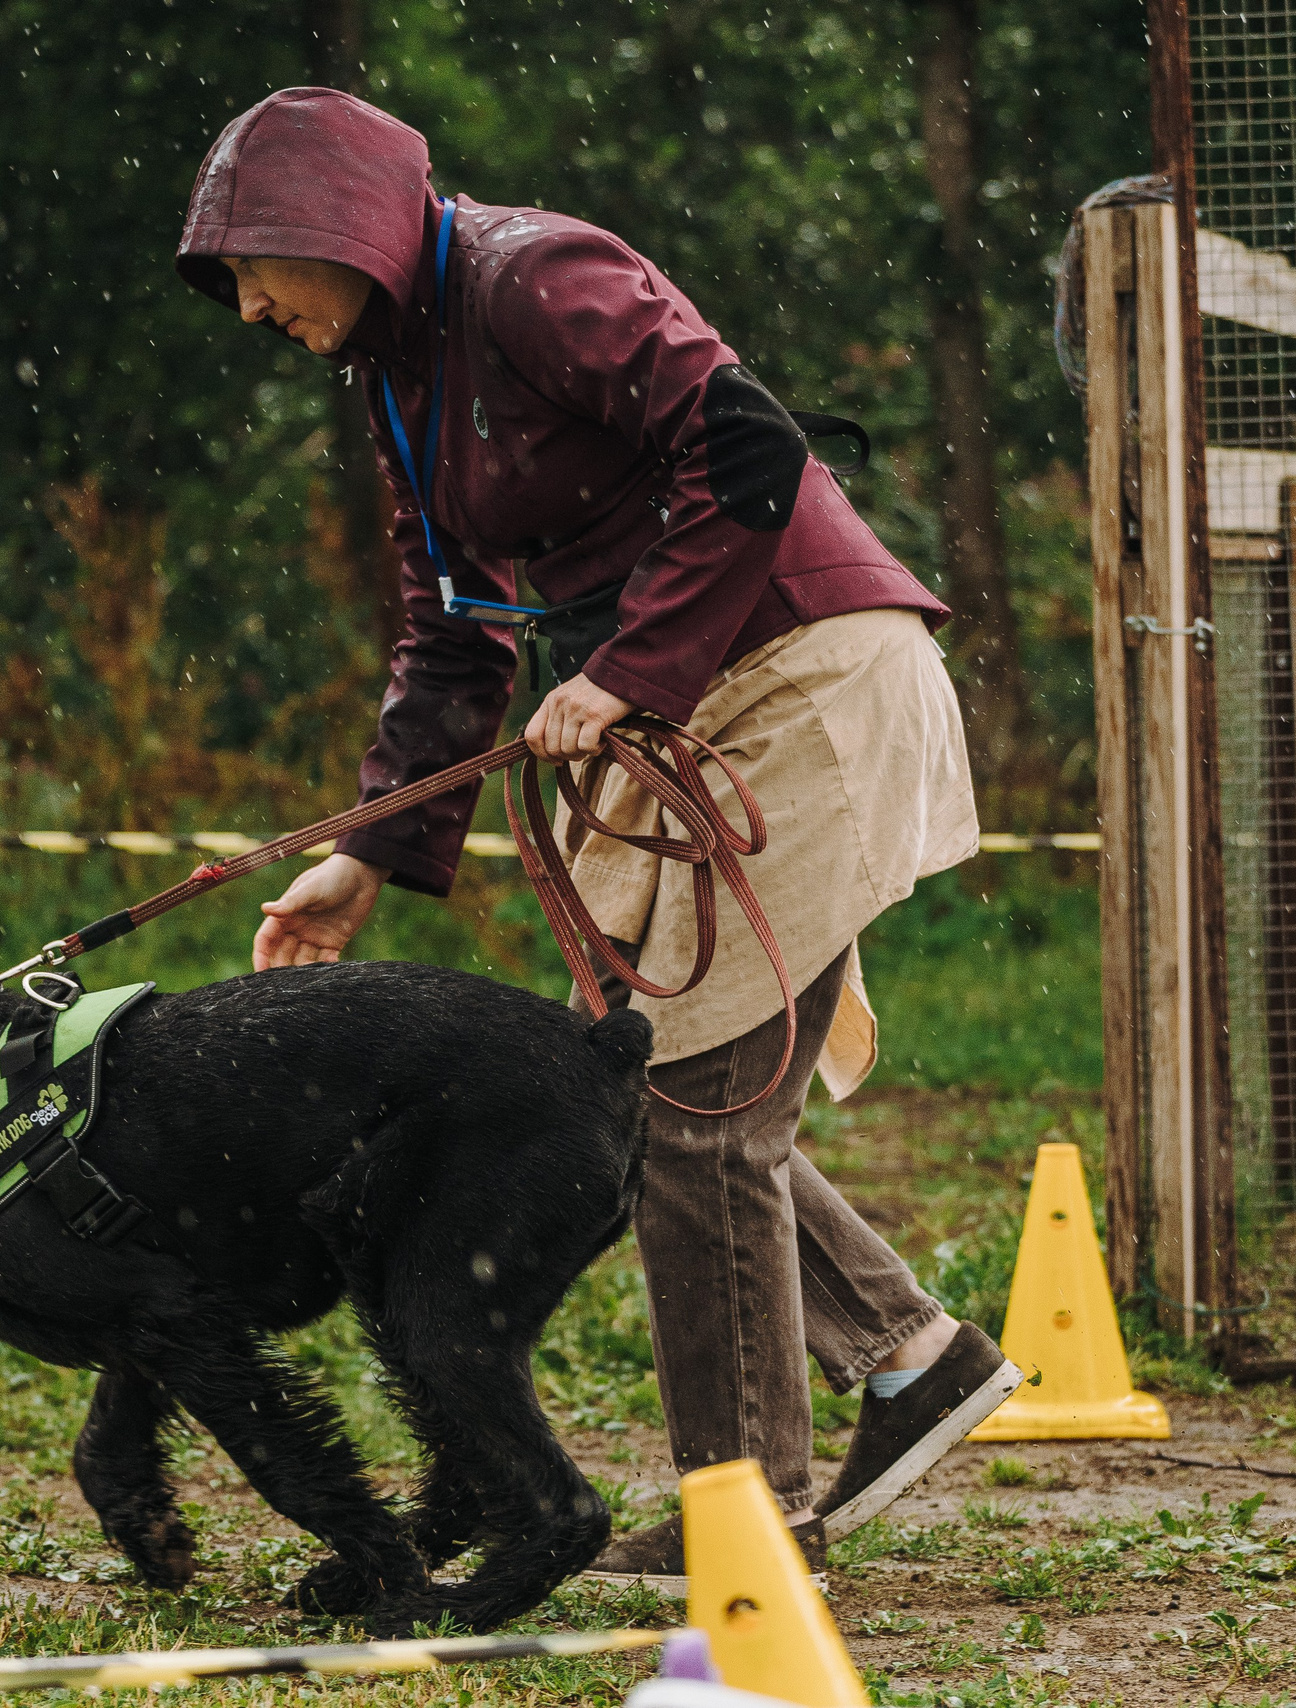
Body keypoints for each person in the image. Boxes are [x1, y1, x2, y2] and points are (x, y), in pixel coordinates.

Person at [175, 87, 1020, 1576]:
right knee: (629, 1092)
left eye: (253, 264)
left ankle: (749, 1526)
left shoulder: (529, 274)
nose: (245, 304)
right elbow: (450, 630)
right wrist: (366, 848)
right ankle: (911, 1358)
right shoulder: (396, 381)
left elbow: (749, 449)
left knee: (689, 1111)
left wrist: (629, 671)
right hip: (694, 710)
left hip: (806, 676)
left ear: (340, 229)